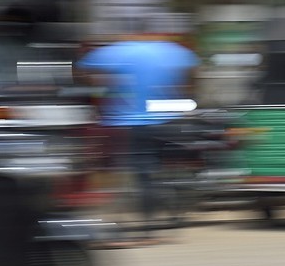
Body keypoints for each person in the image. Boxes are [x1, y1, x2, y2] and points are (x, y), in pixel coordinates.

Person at [79, 28, 199, 246]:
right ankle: (154, 217)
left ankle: (146, 228)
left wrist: (107, 91)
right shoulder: (168, 51)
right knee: (149, 171)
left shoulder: (117, 52)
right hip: (163, 119)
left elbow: (87, 70)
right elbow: (190, 71)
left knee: (136, 173)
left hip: (127, 121)